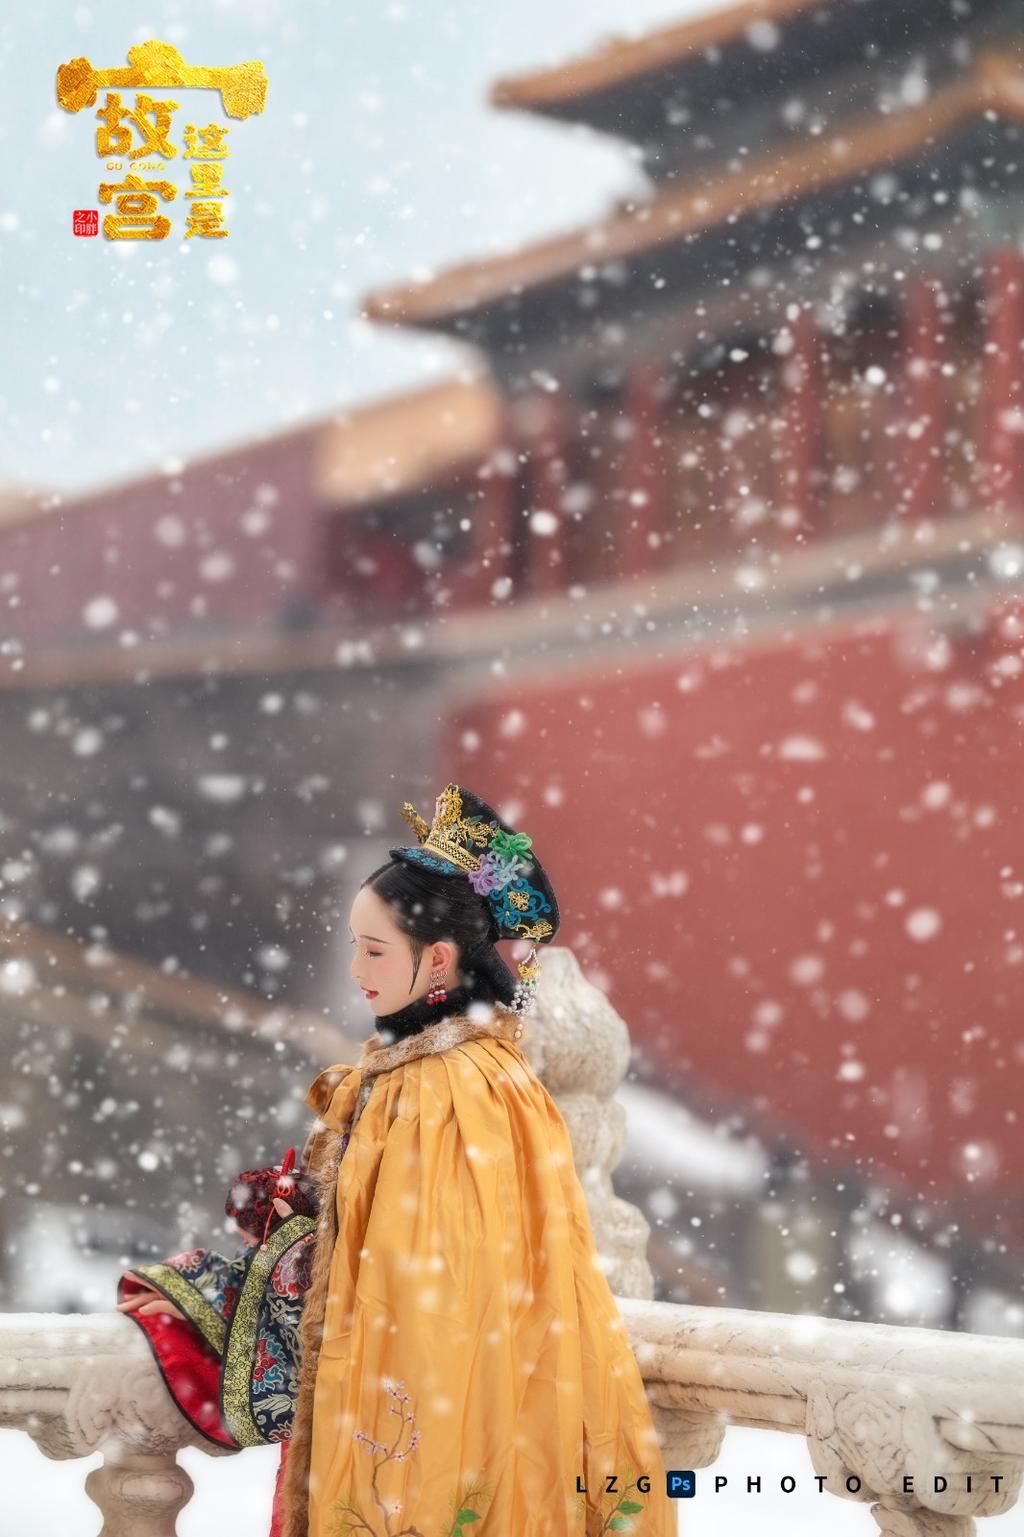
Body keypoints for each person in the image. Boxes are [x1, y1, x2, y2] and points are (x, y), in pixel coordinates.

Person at [117, 782, 678, 1536]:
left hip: (424, 1408)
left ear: (439, 958)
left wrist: (227, 1295)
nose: (356, 969)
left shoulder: (436, 1090)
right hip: (490, 1400)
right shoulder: (485, 1071)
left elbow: (403, 1284)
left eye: (374, 948)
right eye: (355, 944)